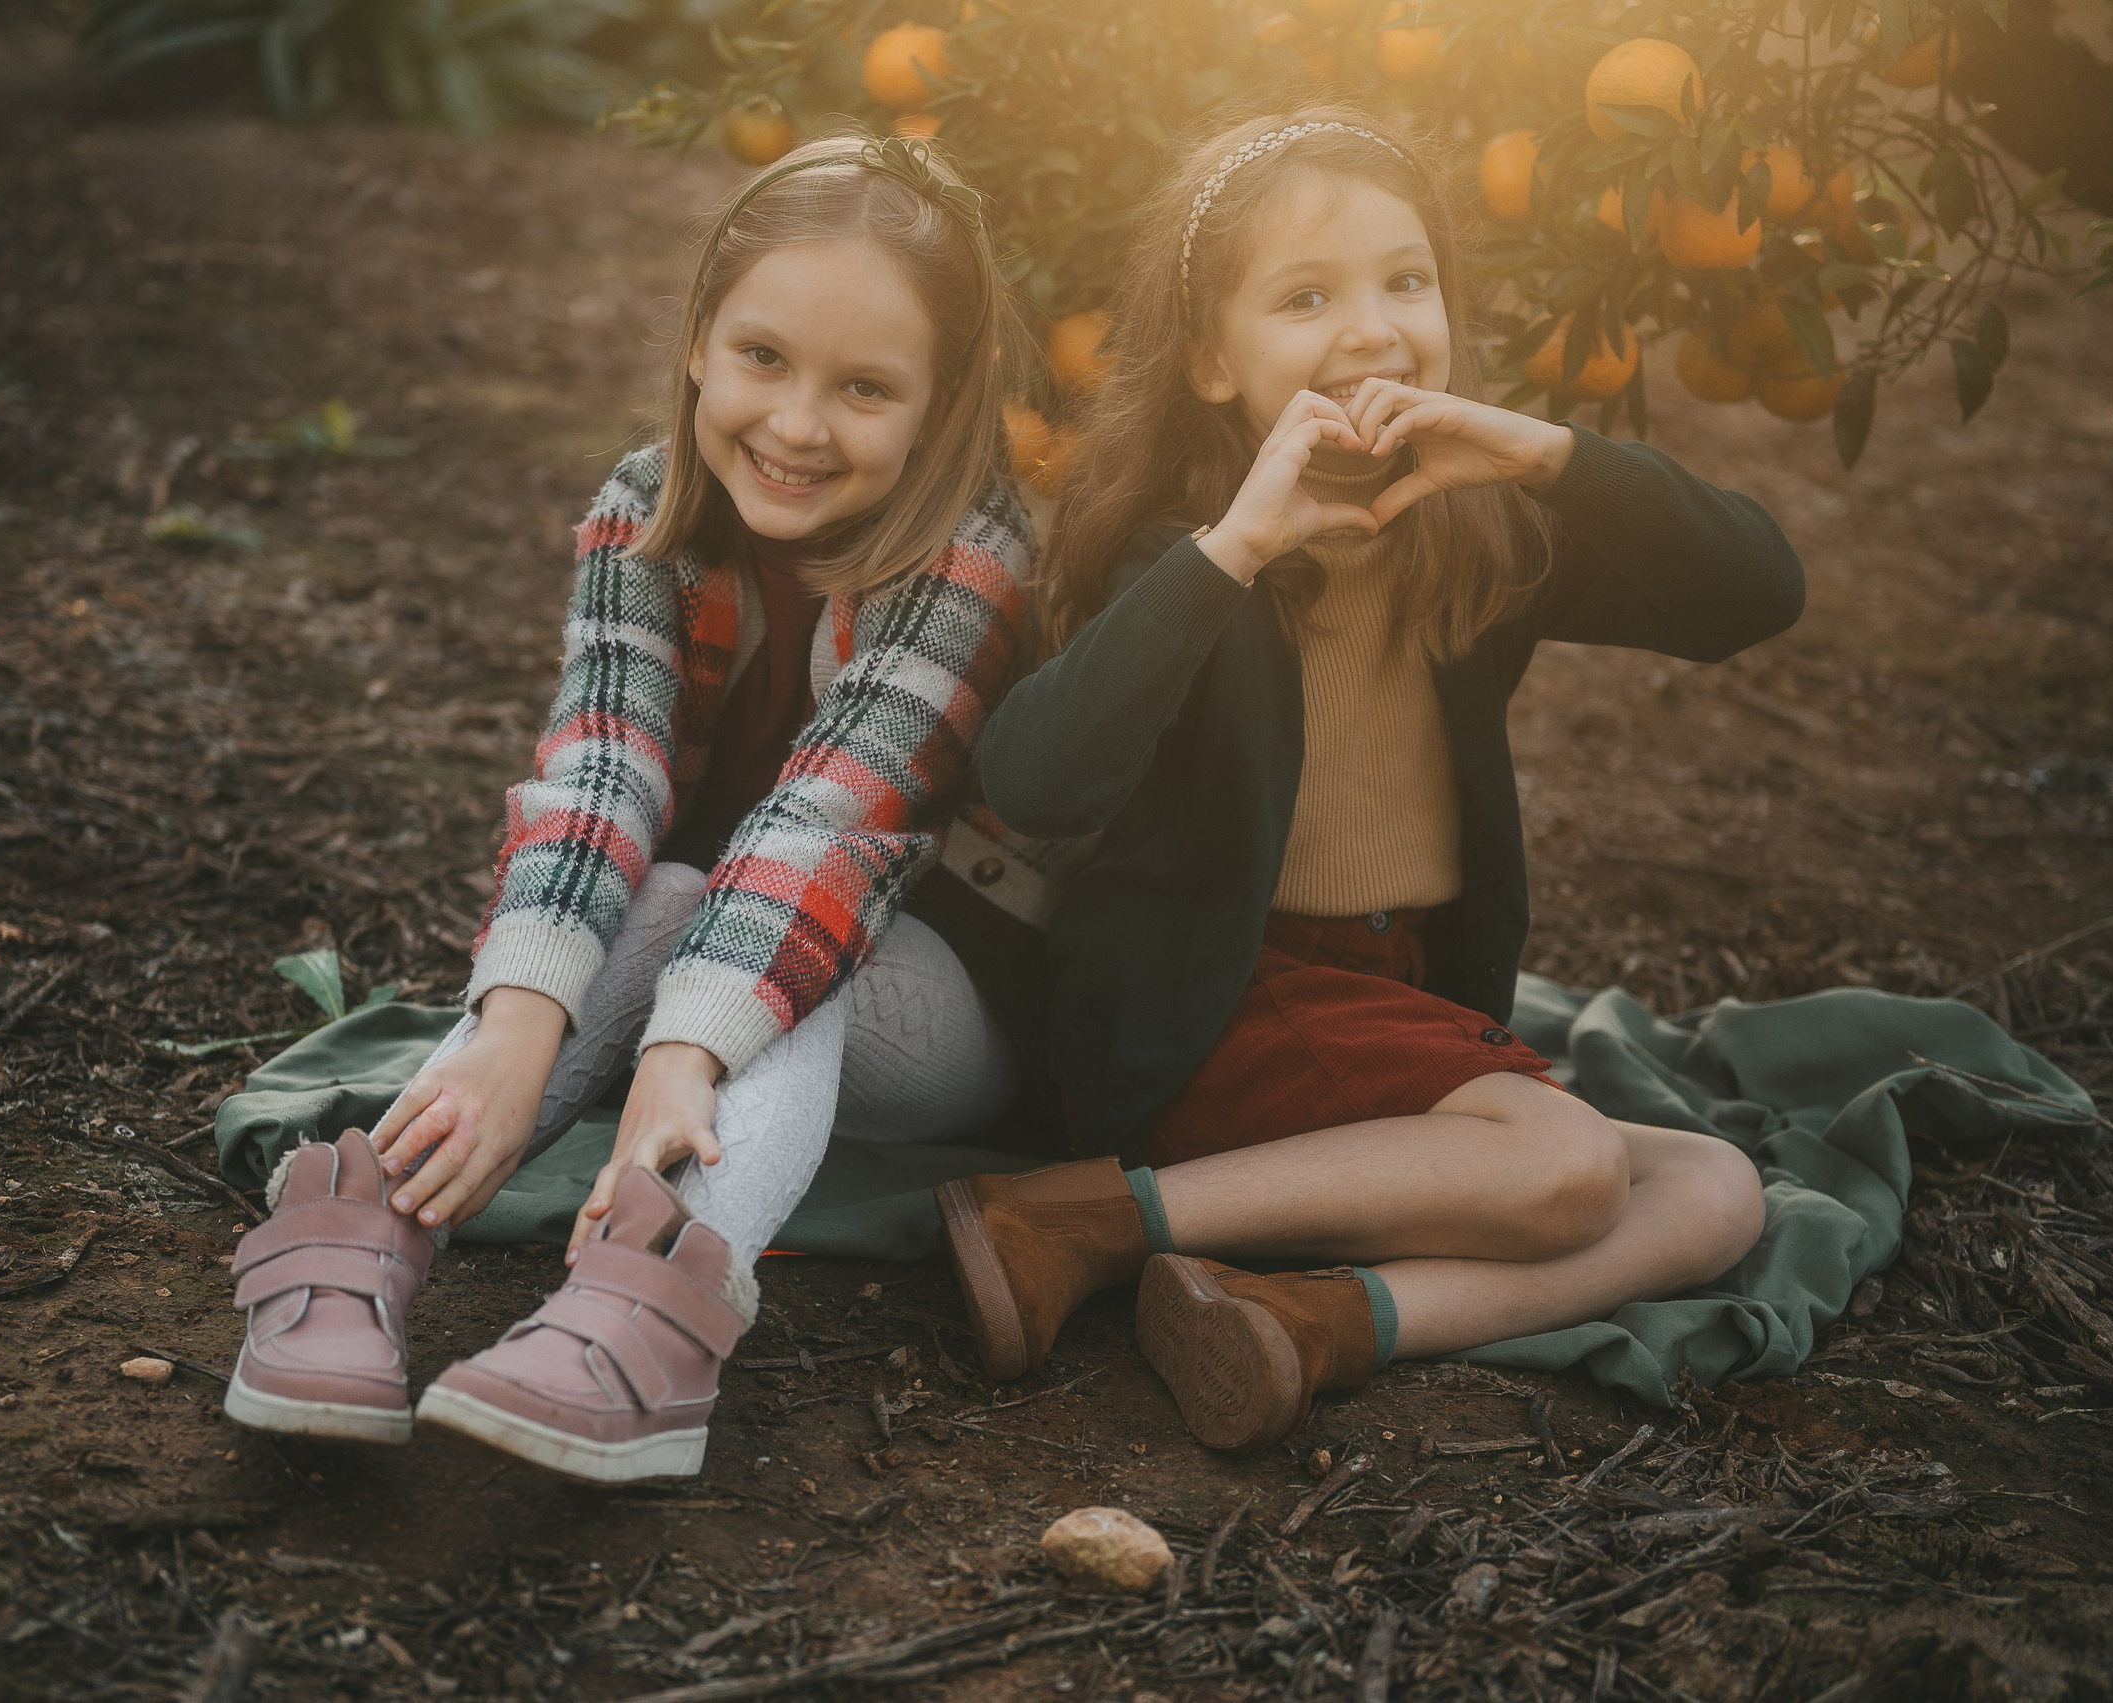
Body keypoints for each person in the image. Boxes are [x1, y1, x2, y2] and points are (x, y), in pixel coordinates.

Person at [938, 107, 1806, 1452]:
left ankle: (1309, 1323)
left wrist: (1543, 453)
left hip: (1394, 999)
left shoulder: (1483, 524)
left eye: (1407, 282)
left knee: (1715, 1188)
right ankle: (1075, 1220)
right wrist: (1233, 551)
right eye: (1306, 298)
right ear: (1212, 362)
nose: (1373, 331)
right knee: (1572, 1167)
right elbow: (1038, 780)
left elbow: (1755, 591)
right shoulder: (1182, 554)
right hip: (1217, 1004)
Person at [222, 135, 1063, 1483]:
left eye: (864, 387)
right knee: (670, 894)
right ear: (698, 342)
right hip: (706, 939)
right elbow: (601, 767)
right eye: (763, 358)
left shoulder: (971, 548)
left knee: (793, 948)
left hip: (943, 1002)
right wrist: (519, 1024)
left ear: (943, 400)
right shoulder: (647, 509)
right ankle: (374, 1229)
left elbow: (828, 834)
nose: (796, 425)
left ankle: (652, 1322)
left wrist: (680, 1050)